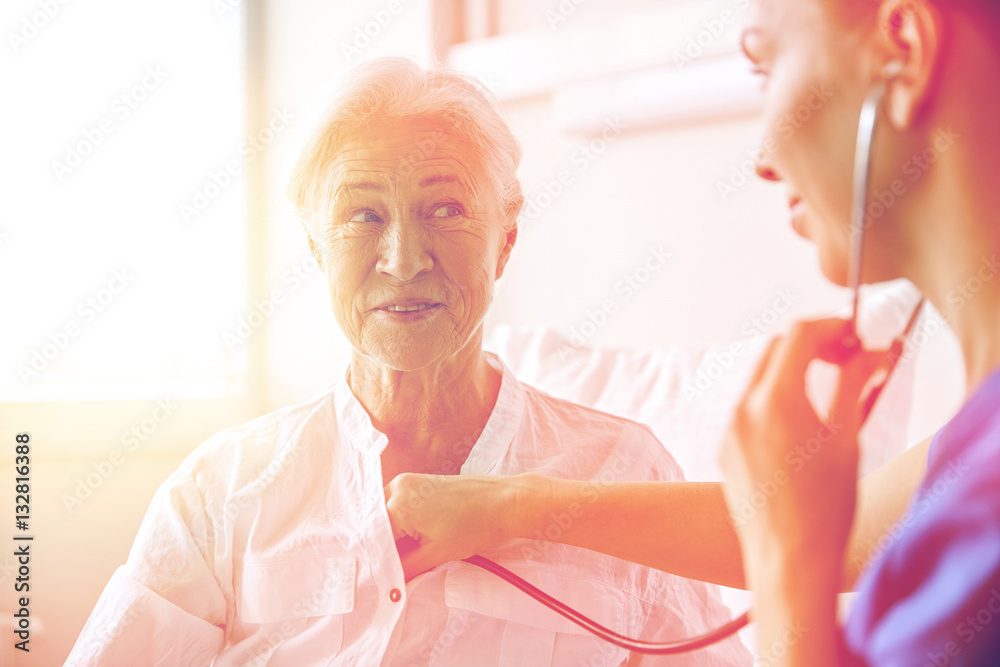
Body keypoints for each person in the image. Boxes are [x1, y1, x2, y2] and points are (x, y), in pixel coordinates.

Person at [65, 57, 750, 666]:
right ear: (316, 248)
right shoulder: (219, 495)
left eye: (445, 209)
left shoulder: (624, 472)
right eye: (364, 217)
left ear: (504, 241)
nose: (403, 259)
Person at [384, 0, 1000, 664]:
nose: (764, 158)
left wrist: (791, 575)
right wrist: (517, 504)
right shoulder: (973, 453)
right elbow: (843, 524)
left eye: (766, 68)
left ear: (901, 49)